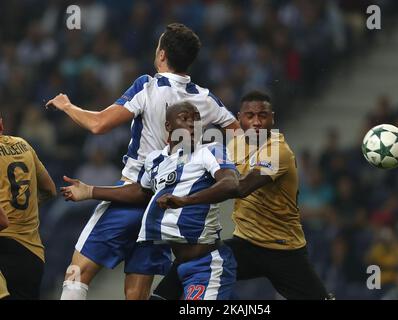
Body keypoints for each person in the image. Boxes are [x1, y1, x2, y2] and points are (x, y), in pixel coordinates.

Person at [46, 23, 239, 300]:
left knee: (77, 273)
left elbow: (99, 124)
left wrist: (67, 106)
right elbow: (245, 138)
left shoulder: (148, 86)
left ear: (161, 54)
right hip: (162, 208)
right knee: (137, 295)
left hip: (131, 193)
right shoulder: (206, 99)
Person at [153, 91, 330, 300]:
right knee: (195, 258)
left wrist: (186, 200)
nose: (256, 122)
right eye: (250, 116)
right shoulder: (234, 145)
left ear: (272, 118)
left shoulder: (279, 151)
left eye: (262, 116)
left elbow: (240, 188)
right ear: (240, 118)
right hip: (246, 242)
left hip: (283, 248)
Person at [62, 102, 239, 299]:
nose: (192, 124)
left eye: (196, 119)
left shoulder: (211, 150)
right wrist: (90, 191)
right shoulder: (156, 159)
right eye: (185, 118)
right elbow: (141, 192)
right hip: (180, 267)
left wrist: (186, 201)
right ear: (168, 126)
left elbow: (231, 184)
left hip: (207, 263)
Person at [0, 111, 57, 299]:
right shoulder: (23, 145)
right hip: (33, 254)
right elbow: (50, 189)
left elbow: (2, 221)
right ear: (1, 125)